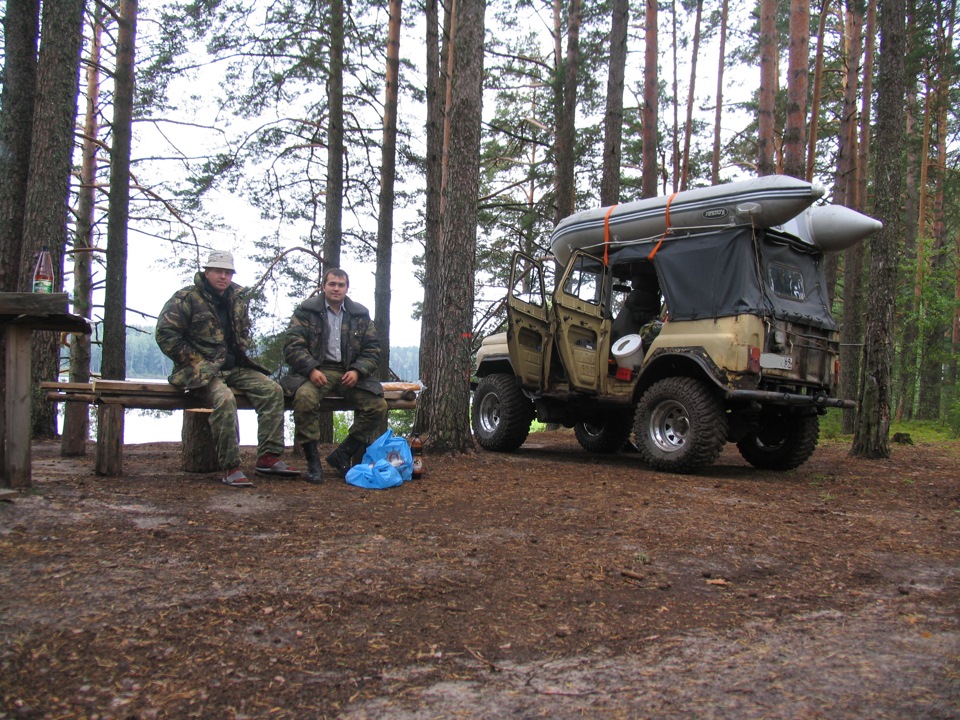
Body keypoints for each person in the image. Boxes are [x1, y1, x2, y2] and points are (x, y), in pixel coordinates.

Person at [156, 250, 299, 488]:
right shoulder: (186, 298)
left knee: (272, 390)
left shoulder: (237, 297)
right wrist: (194, 360)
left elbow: (242, 330)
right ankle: (231, 467)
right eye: (218, 271)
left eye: (227, 272)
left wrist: (238, 349)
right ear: (207, 272)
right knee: (224, 399)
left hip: (235, 367)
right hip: (201, 372)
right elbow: (165, 334)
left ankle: (268, 457)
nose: (223, 276)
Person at [283, 268, 388, 484]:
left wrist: (358, 371)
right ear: (324, 286)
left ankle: (343, 453)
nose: (336, 288)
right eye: (332, 284)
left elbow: (373, 349)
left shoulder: (359, 314)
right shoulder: (306, 311)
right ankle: (313, 461)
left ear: (347, 288)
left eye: (341, 285)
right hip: (317, 371)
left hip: (349, 372)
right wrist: (311, 369)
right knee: (304, 399)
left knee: (378, 406)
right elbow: (293, 346)